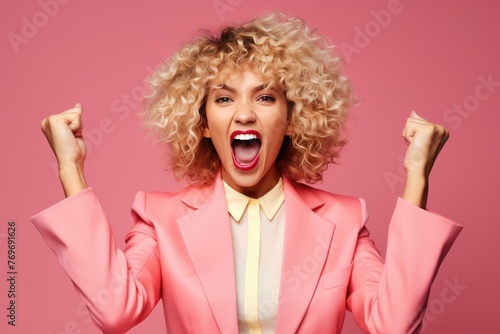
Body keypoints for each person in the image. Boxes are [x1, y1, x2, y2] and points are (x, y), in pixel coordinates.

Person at [32, 11, 462, 334]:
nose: (244, 115)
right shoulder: (160, 219)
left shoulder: (343, 222)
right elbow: (114, 310)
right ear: (201, 123)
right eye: (223, 99)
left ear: (293, 118)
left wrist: (417, 177)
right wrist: (70, 168)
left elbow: (395, 323)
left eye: (265, 98)